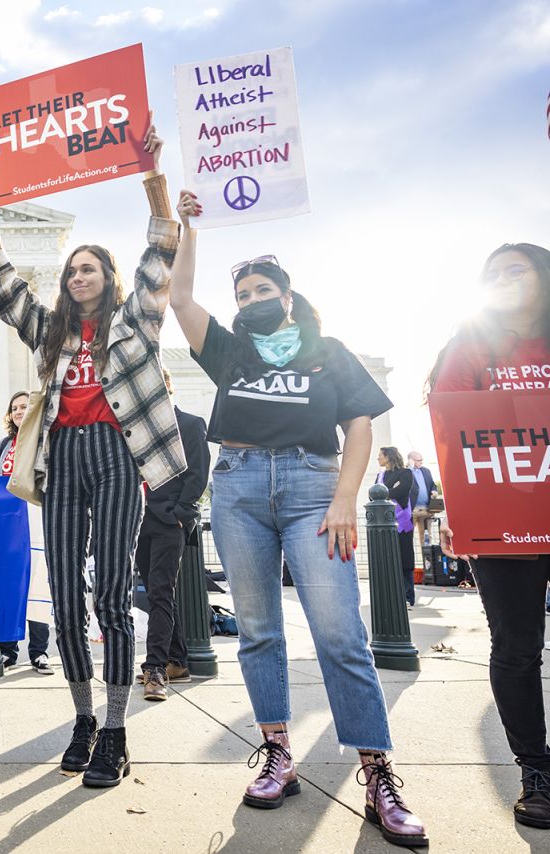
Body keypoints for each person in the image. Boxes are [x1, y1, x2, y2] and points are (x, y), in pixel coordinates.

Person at [167, 188, 427, 847]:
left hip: (315, 487)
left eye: (263, 290)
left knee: (339, 632)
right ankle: (277, 753)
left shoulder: (328, 350)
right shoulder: (229, 353)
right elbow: (179, 300)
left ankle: (376, 770)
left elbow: (361, 426)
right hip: (240, 485)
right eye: (244, 292)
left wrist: (345, 497)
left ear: (287, 296)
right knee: (258, 631)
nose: (253, 299)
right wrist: (189, 229)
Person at [0, 121, 184, 789]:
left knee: (113, 594)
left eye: (88, 266)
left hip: (117, 457)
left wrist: (153, 173)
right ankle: (84, 718)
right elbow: (6, 291)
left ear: (107, 277)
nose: (77, 274)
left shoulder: (135, 321)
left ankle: (117, 730)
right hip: (62, 456)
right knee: (65, 597)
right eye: (71, 270)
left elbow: (161, 250)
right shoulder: (52, 330)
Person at [431, 242, 550, 830]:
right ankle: (537, 770)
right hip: (508, 515)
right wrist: (461, 512)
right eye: (492, 274)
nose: (502, 280)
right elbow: (452, 427)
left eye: (515, 269)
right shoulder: (470, 344)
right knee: (518, 645)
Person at [134, 368, 209, 700]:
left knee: (162, 591)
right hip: (138, 520)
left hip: (169, 520)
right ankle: (177, 660)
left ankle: (155, 669)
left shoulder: (191, 424)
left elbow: (198, 474)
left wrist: (180, 513)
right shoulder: (135, 428)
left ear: (167, 386)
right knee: (155, 592)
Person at [0, 391, 53, 675]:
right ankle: (8, 650)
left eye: (24, 406)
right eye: (14, 407)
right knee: (8, 586)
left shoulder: (44, 439)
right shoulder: (5, 444)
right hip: (7, 524)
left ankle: (39, 652)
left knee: (38, 584)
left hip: (36, 518)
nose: (18, 411)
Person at [376, 446, 417, 607]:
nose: (378, 458)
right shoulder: (380, 474)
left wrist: (385, 491)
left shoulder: (406, 473)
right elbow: (373, 493)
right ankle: (391, 596)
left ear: (388, 457)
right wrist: (390, 489)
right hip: (383, 523)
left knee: (404, 559)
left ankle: (408, 596)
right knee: (387, 559)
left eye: (380, 455)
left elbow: (402, 490)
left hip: (402, 522)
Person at [406, 451, 438, 561]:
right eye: (419, 460)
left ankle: (427, 563)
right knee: (408, 537)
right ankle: (410, 561)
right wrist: (409, 467)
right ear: (411, 460)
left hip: (426, 510)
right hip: (411, 510)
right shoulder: (406, 472)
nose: (421, 462)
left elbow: (432, 484)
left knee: (426, 537)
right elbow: (404, 482)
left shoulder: (426, 471)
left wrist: (434, 490)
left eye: (421, 459)